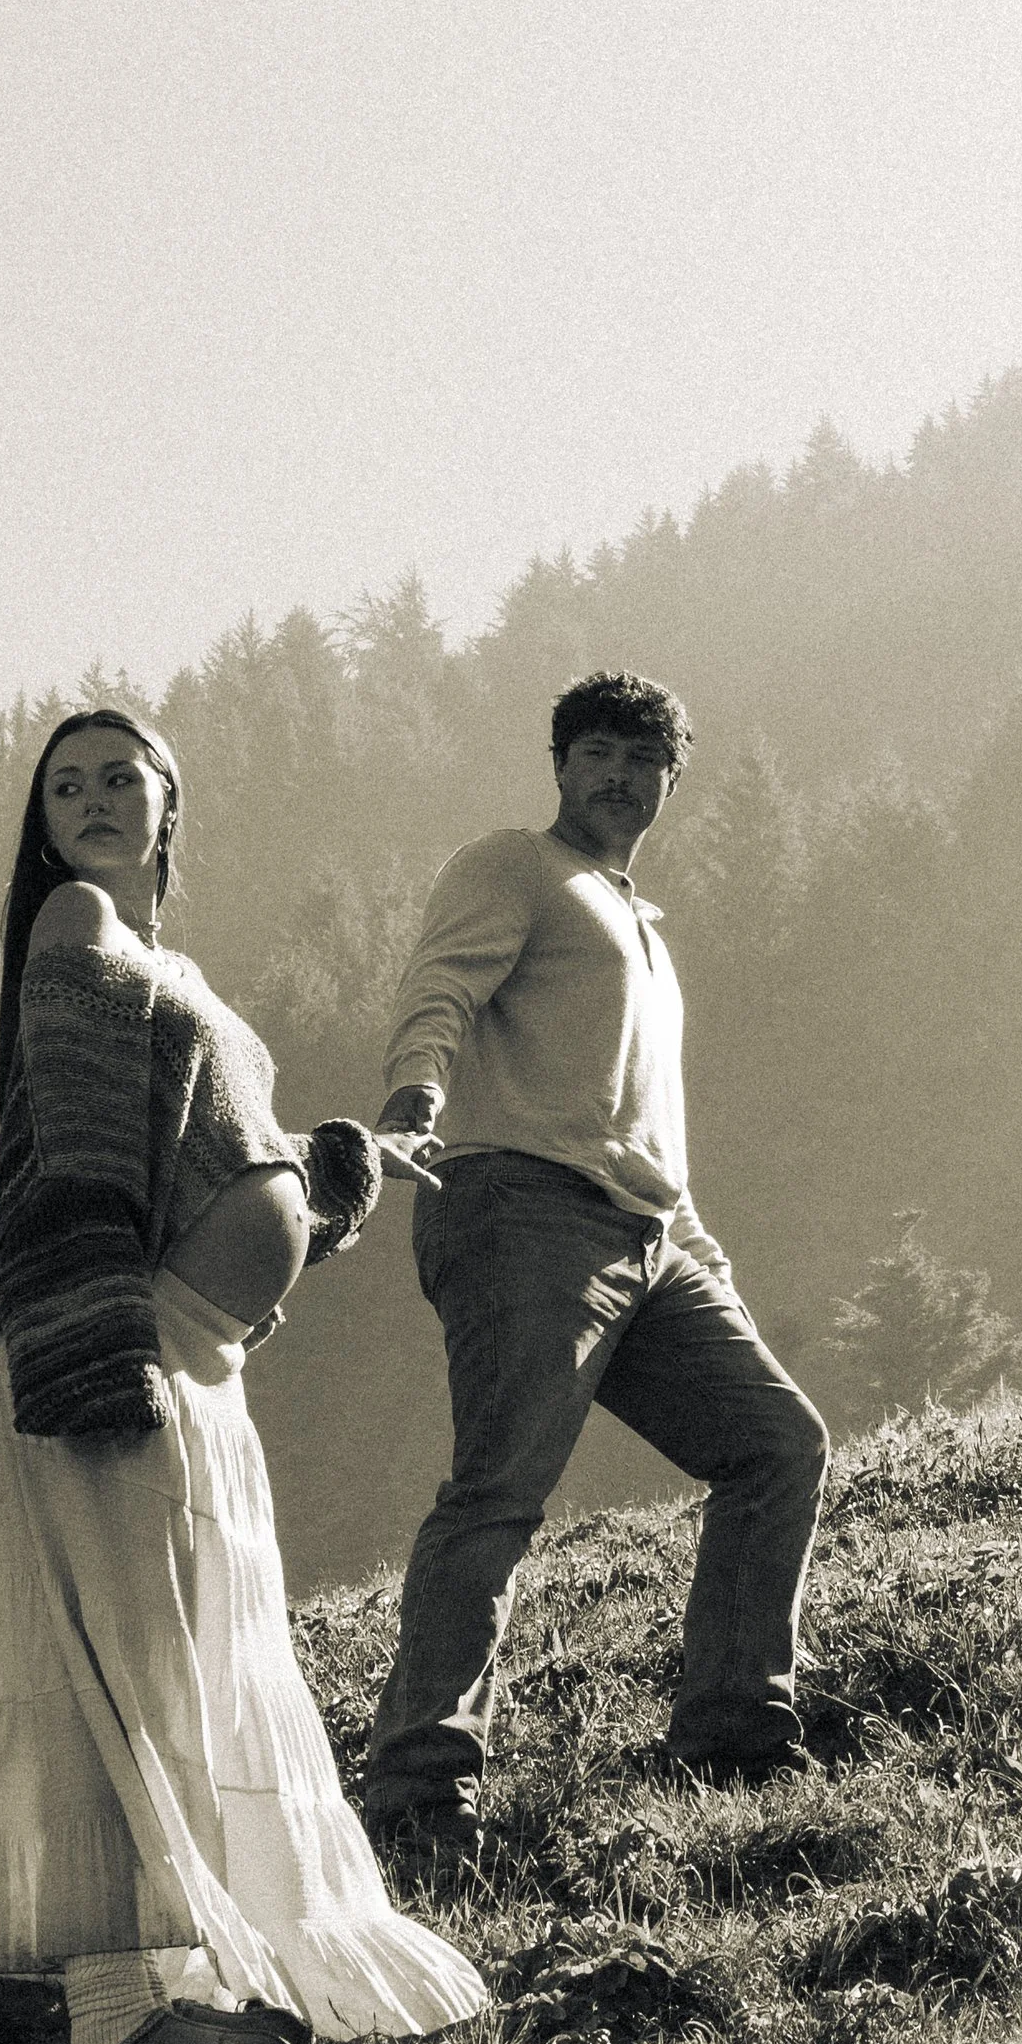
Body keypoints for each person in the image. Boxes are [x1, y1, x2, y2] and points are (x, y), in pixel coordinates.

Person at [0, 706, 485, 2044]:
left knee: (164, 1668)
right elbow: (78, 1162)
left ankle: (148, 2005)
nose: (90, 797)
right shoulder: (78, 925)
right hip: (129, 1351)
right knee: (129, 1675)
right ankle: (114, 2029)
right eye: (63, 783)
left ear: (171, 803)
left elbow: (205, 1170)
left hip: (197, 1364)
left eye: (117, 776)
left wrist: (318, 1178)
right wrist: (89, 1343)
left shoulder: (163, 965)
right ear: (46, 825)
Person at [361, 669, 829, 1874]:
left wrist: (699, 1256)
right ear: (560, 764)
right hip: (517, 1206)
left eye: (643, 760)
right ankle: (419, 1790)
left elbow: (645, 1131)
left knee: (775, 1443)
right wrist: (412, 1096)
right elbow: (439, 988)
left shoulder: (643, 931)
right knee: (501, 1491)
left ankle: (731, 1734)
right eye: (598, 753)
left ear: (671, 781)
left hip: (646, 1235)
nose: (619, 776)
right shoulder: (516, 865)